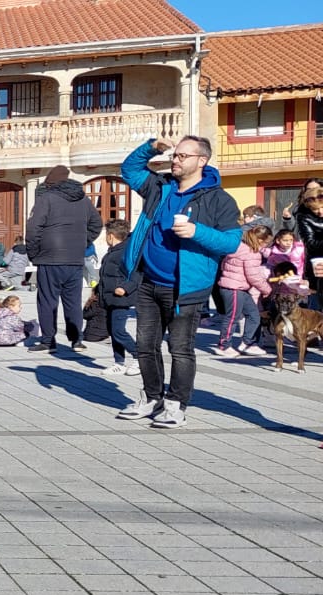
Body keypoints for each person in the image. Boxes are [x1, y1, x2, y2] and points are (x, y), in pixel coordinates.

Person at [113, 136, 241, 429]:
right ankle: (151, 398)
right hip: (148, 280)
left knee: (180, 349)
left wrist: (197, 231)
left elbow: (231, 243)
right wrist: (151, 147)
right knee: (145, 345)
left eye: (184, 156)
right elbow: (129, 170)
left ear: (202, 161)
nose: (176, 160)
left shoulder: (218, 198)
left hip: (186, 287)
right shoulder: (161, 187)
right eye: (175, 155)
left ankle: (175, 405)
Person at [26, 165, 103, 353]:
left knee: (47, 301)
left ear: (51, 183)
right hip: (74, 259)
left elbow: (33, 229)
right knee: (73, 300)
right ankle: (77, 340)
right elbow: (97, 224)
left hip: (49, 258)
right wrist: (82, 243)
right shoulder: (83, 200)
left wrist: (34, 253)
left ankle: (48, 341)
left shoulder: (46, 199)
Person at [212, 224, 274, 357]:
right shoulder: (251, 253)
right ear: (260, 241)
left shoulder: (238, 247)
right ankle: (224, 345)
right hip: (234, 288)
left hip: (239, 287)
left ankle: (249, 342)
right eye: (266, 243)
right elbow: (254, 277)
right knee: (232, 317)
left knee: (253, 314)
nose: (266, 246)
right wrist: (267, 289)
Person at [97, 220, 141, 376]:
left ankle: (139, 358)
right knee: (112, 330)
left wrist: (125, 288)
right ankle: (119, 362)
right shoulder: (113, 251)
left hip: (120, 298)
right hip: (109, 297)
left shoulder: (126, 252)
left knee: (118, 331)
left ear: (111, 235)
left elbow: (137, 273)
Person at [293, 187, 323, 304]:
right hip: (316, 268)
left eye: (322, 207)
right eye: (315, 209)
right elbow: (310, 243)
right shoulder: (304, 217)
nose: (320, 212)